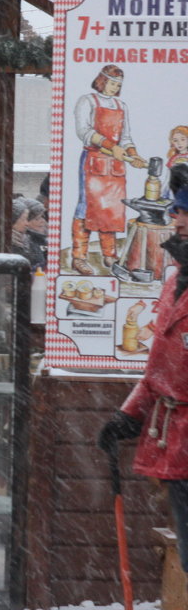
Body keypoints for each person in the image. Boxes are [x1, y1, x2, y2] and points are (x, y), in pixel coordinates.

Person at [98, 167, 188, 576]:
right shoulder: (176, 280)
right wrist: (130, 415)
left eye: (186, 211)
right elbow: (162, 364)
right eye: (178, 210)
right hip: (178, 442)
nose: (177, 219)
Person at [72, 64, 147, 276]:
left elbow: (126, 137)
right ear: (102, 81)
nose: (115, 88)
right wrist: (110, 146)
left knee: (112, 210)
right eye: (112, 83)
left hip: (116, 165)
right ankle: (79, 257)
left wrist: (133, 154)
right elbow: (84, 131)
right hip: (94, 161)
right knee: (86, 209)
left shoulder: (121, 106)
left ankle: (110, 255)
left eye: (118, 85)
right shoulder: (87, 101)